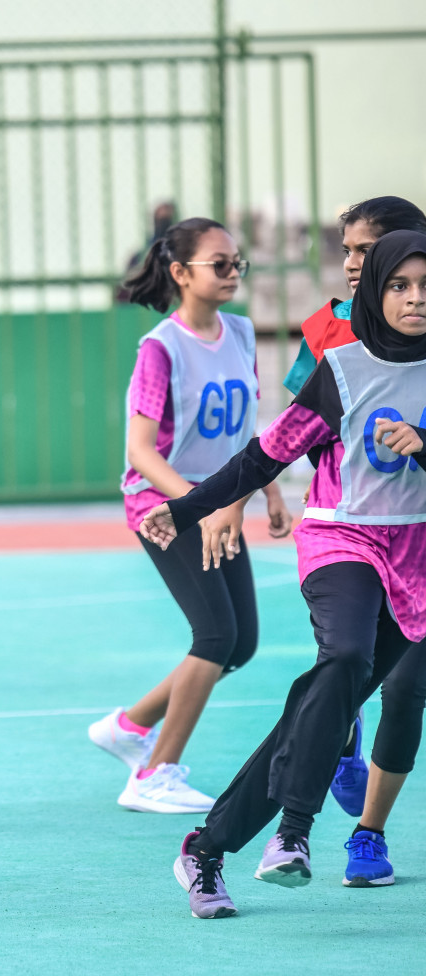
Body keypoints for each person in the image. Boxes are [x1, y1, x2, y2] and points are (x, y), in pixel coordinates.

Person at [145, 230, 426, 918]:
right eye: (401, 285)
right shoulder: (343, 370)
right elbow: (262, 457)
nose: (417, 298)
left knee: (317, 714)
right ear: (376, 291)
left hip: (414, 560)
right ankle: (292, 837)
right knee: (348, 656)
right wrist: (185, 510)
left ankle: (205, 850)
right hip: (342, 541)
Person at [88, 217, 291, 813]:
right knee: (216, 634)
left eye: (237, 263)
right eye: (219, 264)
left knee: (244, 641)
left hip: (220, 501)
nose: (233, 273)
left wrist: (268, 486)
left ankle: (129, 726)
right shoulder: (161, 348)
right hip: (166, 508)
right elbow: (140, 451)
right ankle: (154, 773)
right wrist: (194, 507)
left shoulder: (243, 333)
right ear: (180, 273)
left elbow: (248, 422)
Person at [279, 196, 426, 885]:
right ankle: (334, 752)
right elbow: (291, 433)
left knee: (407, 689)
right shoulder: (328, 334)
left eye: (366, 250)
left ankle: (369, 834)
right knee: (346, 659)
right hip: (354, 530)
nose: (353, 262)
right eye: (347, 251)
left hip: (417, 535)